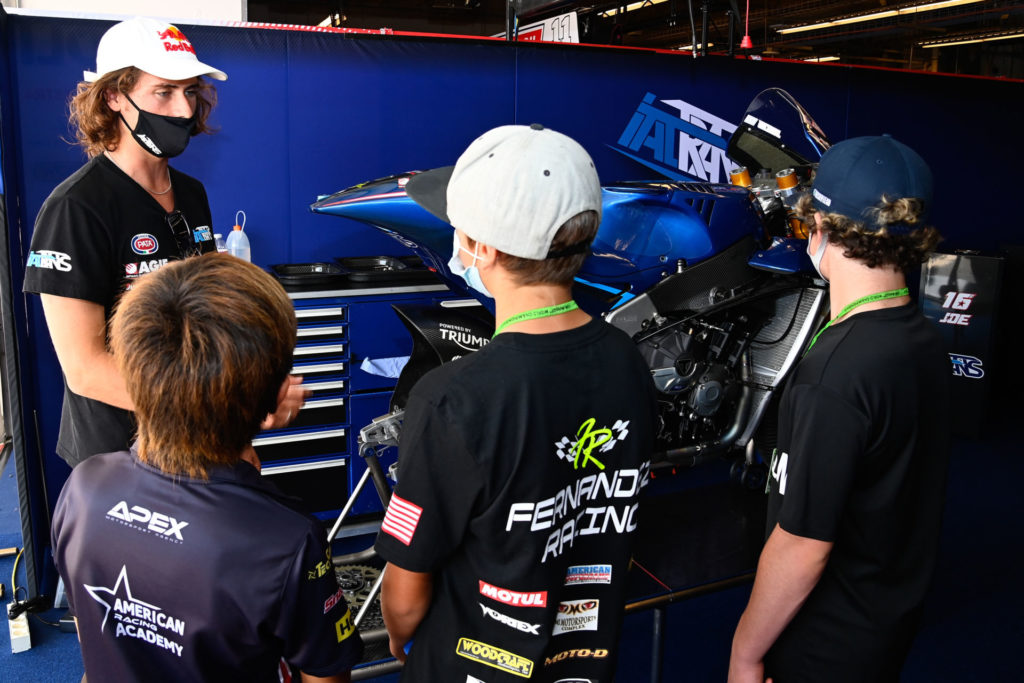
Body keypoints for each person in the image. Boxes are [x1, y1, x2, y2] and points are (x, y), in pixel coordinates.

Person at [373, 124, 658, 681]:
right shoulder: (629, 360)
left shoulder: (452, 396)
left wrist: (405, 643)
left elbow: (404, 597)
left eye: (459, 230)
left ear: (485, 249)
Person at [51, 253, 364, 682]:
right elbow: (325, 676)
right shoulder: (287, 540)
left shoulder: (84, 487)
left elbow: (94, 632)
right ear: (271, 401)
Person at [22, 16, 302, 469]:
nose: (185, 111)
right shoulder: (76, 208)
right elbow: (85, 369)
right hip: (120, 458)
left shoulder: (191, 193)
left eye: (190, 91)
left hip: (198, 445)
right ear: (114, 96)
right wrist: (220, 406)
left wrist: (251, 389)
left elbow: (208, 318)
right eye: (164, 92)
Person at [728, 135, 951, 683]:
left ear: (821, 229)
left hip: (823, 642)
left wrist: (745, 652)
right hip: (885, 626)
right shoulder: (923, 341)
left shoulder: (836, 372)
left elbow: (803, 544)